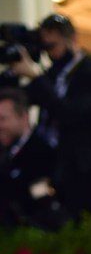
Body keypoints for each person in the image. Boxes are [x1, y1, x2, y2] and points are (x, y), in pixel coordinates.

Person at [10, 14, 91, 219]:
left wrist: (36, 77)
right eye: (45, 47)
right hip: (48, 162)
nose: (50, 53)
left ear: (72, 39)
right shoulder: (54, 73)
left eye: (53, 46)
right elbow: (23, 98)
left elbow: (69, 113)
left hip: (79, 170)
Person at [0, 86, 64, 230]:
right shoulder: (4, 152)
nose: (0, 126)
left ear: (24, 117)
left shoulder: (43, 153)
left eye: (3, 119)